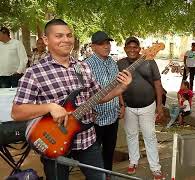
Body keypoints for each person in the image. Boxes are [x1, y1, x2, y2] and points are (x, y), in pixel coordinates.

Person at [10, 19, 132, 180]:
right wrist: (50, 107)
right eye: (59, 36)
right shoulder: (34, 73)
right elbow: (17, 112)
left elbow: (97, 97)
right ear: (46, 40)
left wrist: (121, 89)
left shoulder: (83, 67)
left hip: (87, 139)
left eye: (69, 35)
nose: (66, 39)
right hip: (54, 143)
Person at [117, 36, 165, 180]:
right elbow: (118, 86)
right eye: (129, 47)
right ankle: (133, 162)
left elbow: (158, 84)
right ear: (125, 49)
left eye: (135, 47)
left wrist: (160, 105)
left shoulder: (149, 61)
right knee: (131, 135)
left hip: (148, 106)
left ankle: (155, 168)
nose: (132, 50)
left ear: (139, 48)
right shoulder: (120, 63)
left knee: (149, 136)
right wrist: (122, 105)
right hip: (129, 107)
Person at [85, 31, 125, 176]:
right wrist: (89, 112)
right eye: (102, 44)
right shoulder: (86, 65)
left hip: (113, 115)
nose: (106, 46)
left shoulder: (113, 63)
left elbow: (118, 86)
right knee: (93, 154)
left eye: (108, 43)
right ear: (93, 47)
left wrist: (122, 105)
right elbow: (84, 92)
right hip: (95, 118)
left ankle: (107, 175)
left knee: (109, 150)